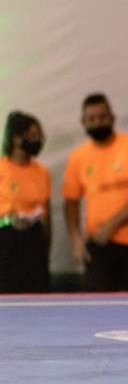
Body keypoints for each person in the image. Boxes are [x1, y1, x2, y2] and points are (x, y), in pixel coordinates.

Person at [63, 94, 128, 292]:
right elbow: (71, 201)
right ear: (83, 122)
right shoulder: (78, 157)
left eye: (102, 117)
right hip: (98, 247)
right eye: (91, 119)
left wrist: (112, 225)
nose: (98, 123)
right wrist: (76, 239)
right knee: (96, 313)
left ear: (112, 118)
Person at [0, 112, 52, 293]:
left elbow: (46, 213)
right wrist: (8, 219)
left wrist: (46, 246)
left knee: (38, 293)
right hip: (6, 242)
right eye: (32, 136)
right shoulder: (2, 168)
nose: (37, 140)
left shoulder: (42, 172)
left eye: (39, 136)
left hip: (34, 242)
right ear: (15, 138)